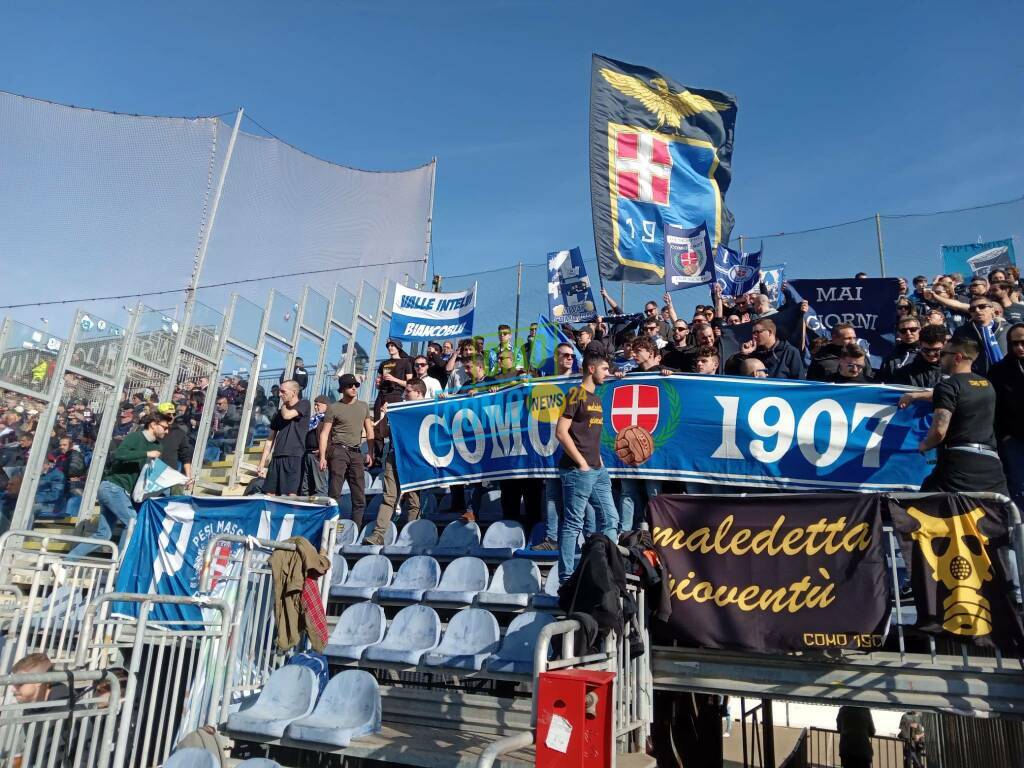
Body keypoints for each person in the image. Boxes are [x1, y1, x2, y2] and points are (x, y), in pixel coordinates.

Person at [67, 412, 171, 559]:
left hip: (120, 491)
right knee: (132, 522)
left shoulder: (158, 446)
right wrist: (146, 453)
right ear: (153, 424)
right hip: (113, 488)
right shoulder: (135, 437)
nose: (167, 431)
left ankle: (66, 562)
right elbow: (119, 454)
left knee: (104, 534)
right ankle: (118, 566)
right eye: (165, 427)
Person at [556, 353, 619, 583]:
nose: (607, 372)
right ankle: (566, 578)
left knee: (611, 518)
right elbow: (561, 432)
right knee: (574, 523)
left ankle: (610, 571)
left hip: (597, 469)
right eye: (604, 368)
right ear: (591, 369)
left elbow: (592, 435)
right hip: (577, 470)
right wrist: (582, 463)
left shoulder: (597, 398)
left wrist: (598, 461)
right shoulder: (575, 394)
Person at [917, 338, 1008, 495]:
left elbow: (939, 430)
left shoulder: (947, 385)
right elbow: (961, 396)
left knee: (922, 509)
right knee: (996, 514)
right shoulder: (987, 384)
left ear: (957, 357)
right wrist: (915, 396)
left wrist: (925, 445)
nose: (939, 357)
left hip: (959, 464)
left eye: (943, 353)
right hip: (992, 464)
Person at [362, 379, 427, 546]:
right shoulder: (398, 410)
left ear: (419, 393)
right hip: (394, 456)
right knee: (389, 497)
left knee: (413, 500)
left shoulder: (427, 409)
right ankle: (378, 535)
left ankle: (410, 538)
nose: (405, 395)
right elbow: (381, 433)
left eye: (408, 391)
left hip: (414, 458)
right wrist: (385, 416)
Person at [320, 374, 375, 527]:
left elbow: (369, 431)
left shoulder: (363, 406)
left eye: (356, 385)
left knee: (359, 496)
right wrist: (323, 456)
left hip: (357, 453)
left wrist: (370, 452)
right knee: (334, 492)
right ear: (343, 388)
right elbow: (325, 433)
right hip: (338, 451)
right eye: (350, 385)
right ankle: (329, 529)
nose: (354, 388)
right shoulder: (334, 407)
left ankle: (355, 528)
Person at [988, 323, 1024, 508]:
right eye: (1015, 343)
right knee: (1019, 488)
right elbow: (994, 408)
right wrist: (1005, 436)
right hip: (1014, 440)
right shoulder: (999, 371)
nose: (1019, 347)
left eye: (1023, 343)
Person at [256, 380, 310, 496]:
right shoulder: (280, 412)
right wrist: (262, 463)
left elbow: (287, 415)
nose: (280, 394)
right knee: (269, 493)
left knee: (291, 494)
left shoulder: (304, 404)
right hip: (277, 456)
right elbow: (270, 439)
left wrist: (283, 406)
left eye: (283, 391)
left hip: (295, 456)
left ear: (294, 392)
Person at [373, 339, 413, 464]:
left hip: (396, 395)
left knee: (394, 427)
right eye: (389, 346)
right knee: (377, 427)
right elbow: (379, 381)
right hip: (382, 395)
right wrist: (378, 383)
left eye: (393, 345)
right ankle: (377, 458)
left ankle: (393, 453)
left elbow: (410, 383)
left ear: (398, 347)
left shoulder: (405, 362)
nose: (390, 348)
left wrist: (394, 379)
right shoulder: (384, 363)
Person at [951, 295, 1008, 375]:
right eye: (972, 309)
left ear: (992, 309)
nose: (977, 310)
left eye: (982, 307)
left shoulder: (1007, 328)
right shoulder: (962, 331)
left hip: (1007, 376)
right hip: (976, 378)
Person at [156, 402, 193, 493]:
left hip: (170, 477)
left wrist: (188, 477)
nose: (172, 417)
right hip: (151, 474)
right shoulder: (151, 430)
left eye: (174, 414)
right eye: (168, 414)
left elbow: (185, 457)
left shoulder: (179, 432)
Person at [301, 395, 330, 496]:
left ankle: (320, 509)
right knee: (305, 487)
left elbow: (333, 438)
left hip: (318, 456)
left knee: (320, 487)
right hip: (308, 454)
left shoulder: (328, 420)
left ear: (326, 405)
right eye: (314, 405)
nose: (315, 407)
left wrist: (324, 451)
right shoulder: (313, 420)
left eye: (318, 405)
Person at [877, 317, 921, 383]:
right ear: (898, 333)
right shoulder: (891, 356)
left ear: (920, 330)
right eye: (903, 331)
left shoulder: (928, 353)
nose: (908, 333)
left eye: (912, 329)